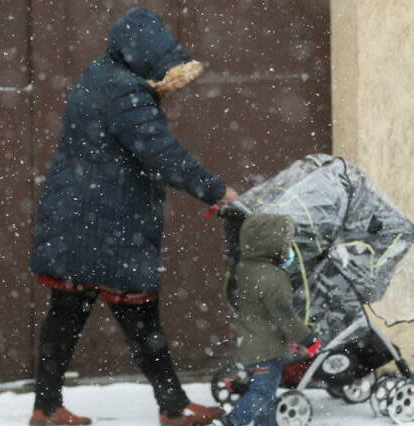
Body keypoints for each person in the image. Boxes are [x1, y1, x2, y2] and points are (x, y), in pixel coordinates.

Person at [28, 8, 237, 426]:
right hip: (105, 226)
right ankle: (172, 407)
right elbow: (160, 153)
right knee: (139, 316)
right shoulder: (125, 91)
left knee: (69, 314)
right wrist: (217, 190)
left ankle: (47, 406)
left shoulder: (100, 75)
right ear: (145, 54)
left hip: (80, 221)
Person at [212, 214, 321, 426]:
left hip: (251, 345)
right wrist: (307, 338)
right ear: (270, 244)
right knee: (262, 393)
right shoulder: (273, 277)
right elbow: (284, 314)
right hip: (266, 350)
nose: (288, 248)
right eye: (285, 243)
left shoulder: (245, 269)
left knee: (266, 396)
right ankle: (231, 422)